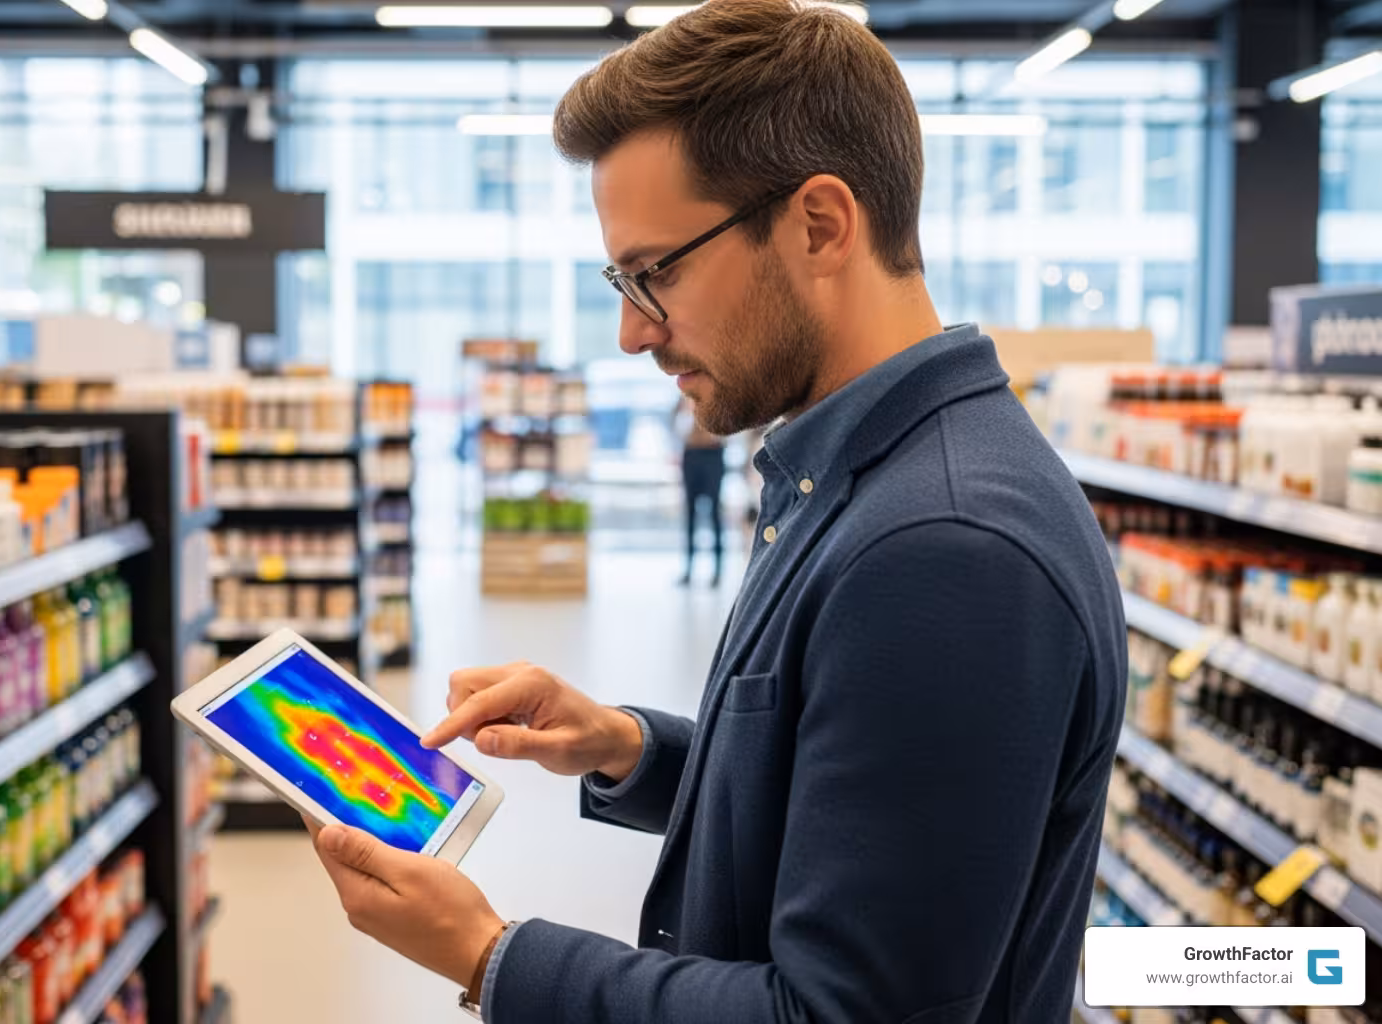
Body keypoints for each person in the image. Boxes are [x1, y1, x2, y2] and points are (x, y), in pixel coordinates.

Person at [303, 2, 1128, 1021]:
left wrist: (490, 955)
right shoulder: (858, 469)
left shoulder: (945, 547)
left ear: (820, 225)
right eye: (621, 279)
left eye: (657, 272)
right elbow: (852, 810)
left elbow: (841, 1014)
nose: (631, 331)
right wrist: (626, 746)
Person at [673, 393, 727, 586]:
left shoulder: (717, 396)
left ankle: (717, 571)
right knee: (690, 514)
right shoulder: (684, 399)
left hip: (713, 455)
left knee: (715, 514)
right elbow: (677, 427)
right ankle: (688, 570)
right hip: (691, 455)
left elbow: (725, 431)